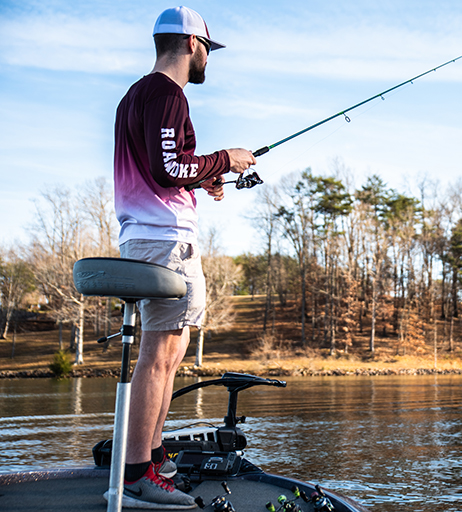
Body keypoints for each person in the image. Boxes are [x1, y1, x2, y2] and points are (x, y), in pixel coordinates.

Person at [112, 6, 255, 509]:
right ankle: (135, 474)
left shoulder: (134, 97)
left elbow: (165, 166)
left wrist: (205, 175)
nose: (207, 62)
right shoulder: (167, 94)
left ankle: (152, 458)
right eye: (208, 51)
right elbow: (170, 164)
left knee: (169, 354)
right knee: (159, 356)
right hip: (164, 240)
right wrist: (227, 160)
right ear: (192, 43)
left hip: (147, 236)